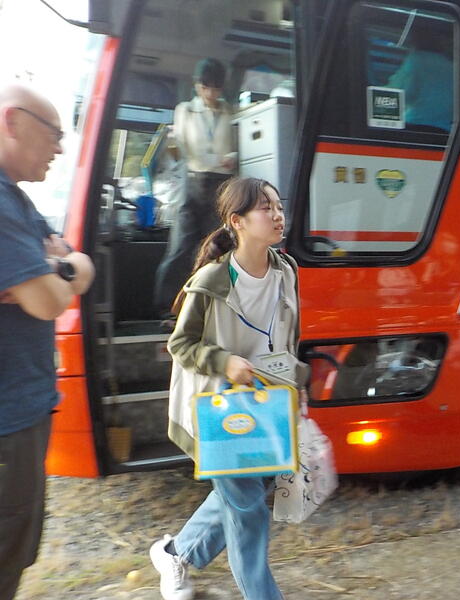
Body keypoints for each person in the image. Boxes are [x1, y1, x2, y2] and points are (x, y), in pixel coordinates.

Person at [149, 177, 298, 600]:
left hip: (267, 404)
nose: (277, 215)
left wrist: (297, 389)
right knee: (249, 513)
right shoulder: (212, 280)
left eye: (278, 206)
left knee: (246, 495)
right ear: (237, 221)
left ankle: (176, 553)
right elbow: (180, 344)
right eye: (265, 208)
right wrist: (225, 362)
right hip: (220, 409)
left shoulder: (286, 271)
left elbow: (290, 337)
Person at [0, 84, 95, 600]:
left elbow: (78, 264)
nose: (60, 147)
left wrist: (54, 267)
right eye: (53, 133)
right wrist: (57, 268)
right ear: (11, 122)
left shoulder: (16, 200)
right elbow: (48, 301)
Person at [154, 58, 237, 326]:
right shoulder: (186, 110)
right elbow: (178, 146)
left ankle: (210, 308)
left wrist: (232, 157)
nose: (210, 92)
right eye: (205, 87)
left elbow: (239, 146)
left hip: (221, 182)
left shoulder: (230, 112)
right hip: (193, 180)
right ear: (197, 85)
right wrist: (174, 148)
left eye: (215, 87)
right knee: (181, 246)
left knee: (217, 248)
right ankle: (168, 308)